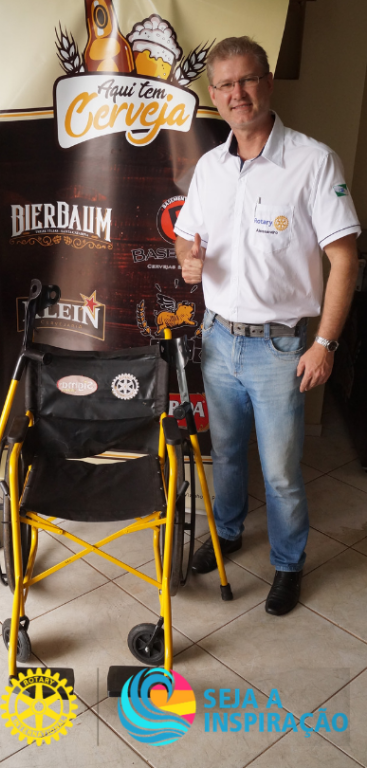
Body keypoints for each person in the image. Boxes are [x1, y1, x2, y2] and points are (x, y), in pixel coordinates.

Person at [174, 38, 360, 615]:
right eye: (226, 85)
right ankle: (228, 533)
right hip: (217, 337)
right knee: (227, 454)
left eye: (248, 80)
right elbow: (186, 235)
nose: (238, 94)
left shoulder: (313, 161)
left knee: (280, 472)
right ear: (213, 94)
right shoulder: (210, 167)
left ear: (268, 82)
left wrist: (325, 343)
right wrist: (187, 260)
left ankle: (288, 563)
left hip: (280, 346)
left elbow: (345, 261)